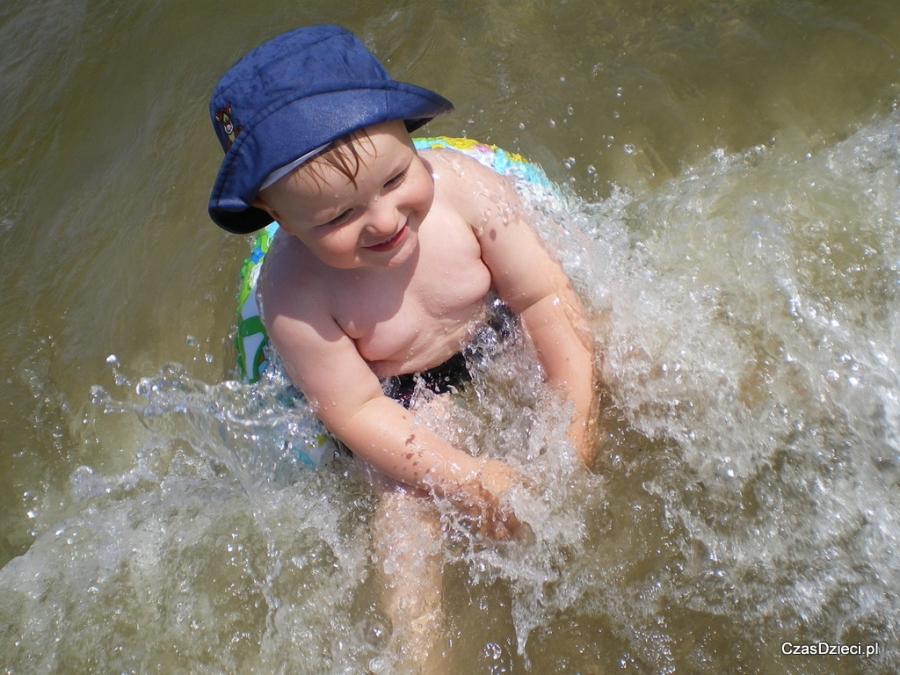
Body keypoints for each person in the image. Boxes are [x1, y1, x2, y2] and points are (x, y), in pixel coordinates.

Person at [208, 24, 596, 671]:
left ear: (408, 131)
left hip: (492, 325)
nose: (384, 220)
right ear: (275, 215)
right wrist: (469, 478)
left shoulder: (467, 192)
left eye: (394, 179)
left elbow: (541, 298)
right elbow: (357, 410)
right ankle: (419, 647)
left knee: (608, 345)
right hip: (399, 390)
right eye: (336, 217)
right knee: (404, 502)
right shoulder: (293, 294)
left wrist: (575, 422)